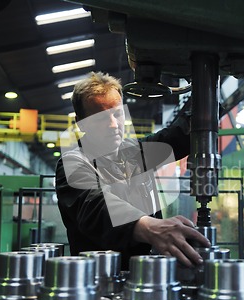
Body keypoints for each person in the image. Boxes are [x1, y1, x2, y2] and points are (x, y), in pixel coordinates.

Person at [55, 71, 211, 270]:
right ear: (81, 122)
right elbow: (95, 207)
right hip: (98, 279)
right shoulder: (73, 164)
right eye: (100, 118)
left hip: (146, 273)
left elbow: (174, 139)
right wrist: (149, 227)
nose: (113, 125)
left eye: (117, 114)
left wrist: (209, 98)